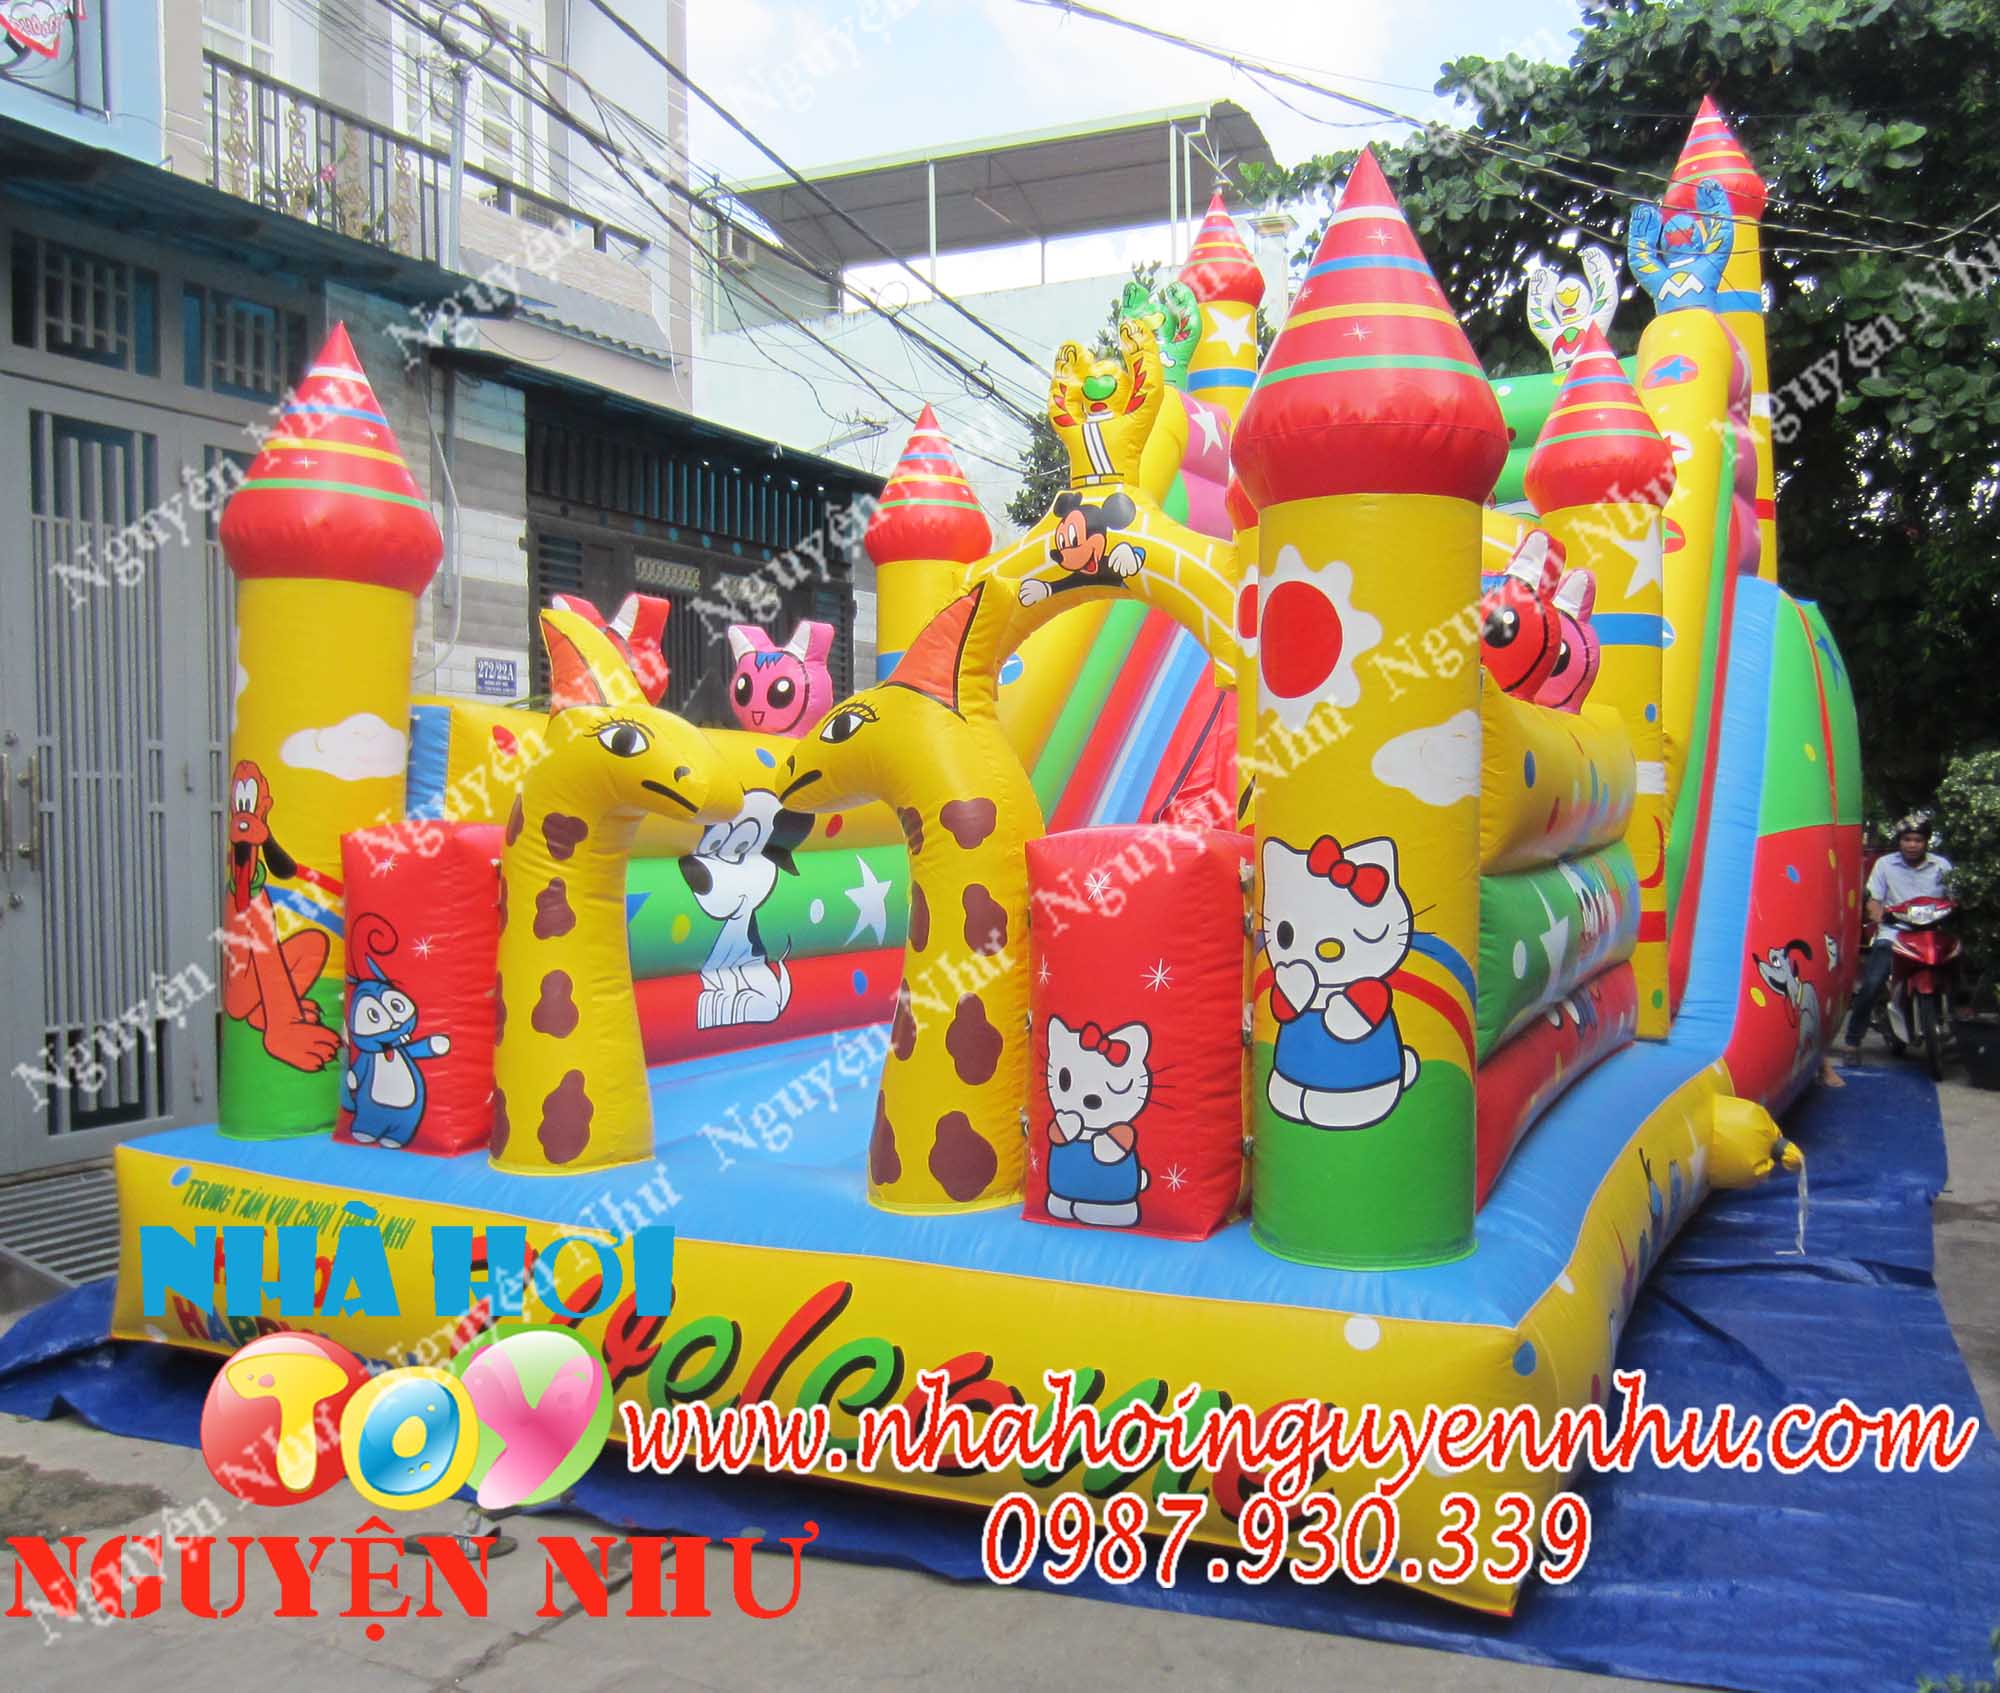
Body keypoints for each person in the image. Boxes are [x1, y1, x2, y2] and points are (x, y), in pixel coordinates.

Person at [1843, 817, 1954, 1055]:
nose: (1912, 845)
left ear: (1926, 842)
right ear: (1899, 841)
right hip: (1895, 933)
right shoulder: (1884, 864)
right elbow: (1874, 900)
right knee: (1872, 984)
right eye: (1907, 839)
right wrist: (1879, 914)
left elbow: (1954, 897)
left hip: (1932, 933)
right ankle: (1853, 1041)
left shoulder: (1942, 866)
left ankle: (1958, 1027)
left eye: (1918, 840)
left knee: (1957, 972)